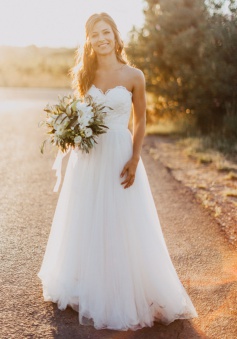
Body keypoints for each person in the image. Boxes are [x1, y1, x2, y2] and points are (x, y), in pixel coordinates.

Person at [38, 12, 197, 331]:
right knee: (88, 216)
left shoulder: (134, 75)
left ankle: (125, 289)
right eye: (94, 34)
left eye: (106, 32)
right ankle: (90, 283)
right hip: (90, 157)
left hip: (121, 152)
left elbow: (140, 121)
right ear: (89, 40)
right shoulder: (84, 74)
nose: (101, 38)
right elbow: (79, 112)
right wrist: (70, 131)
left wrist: (135, 158)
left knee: (123, 218)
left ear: (115, 35)